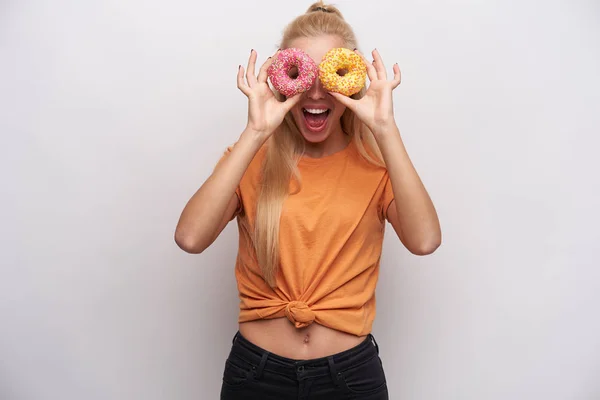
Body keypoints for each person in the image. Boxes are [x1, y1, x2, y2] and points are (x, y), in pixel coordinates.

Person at [175, 1, 441, 398]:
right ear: (281, 78)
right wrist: (255, 132)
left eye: (330, 77)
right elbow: (190, 238)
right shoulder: (251, 159)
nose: (315, 91)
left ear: (352, 79)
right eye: (301, 74)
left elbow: (425, 241)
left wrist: (385, 129)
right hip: (256, 374)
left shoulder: (376, 166)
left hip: (350, 377)